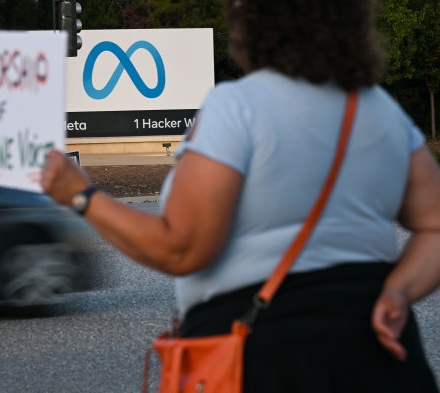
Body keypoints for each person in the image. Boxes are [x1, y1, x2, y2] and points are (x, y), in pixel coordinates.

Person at [41, 0, 440, 391]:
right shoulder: (380, 111)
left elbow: (181, 248)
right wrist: (399, 291)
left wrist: (81, 195)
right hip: (383, 354)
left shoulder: (237, 108)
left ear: (251, 20)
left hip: (267, 356)